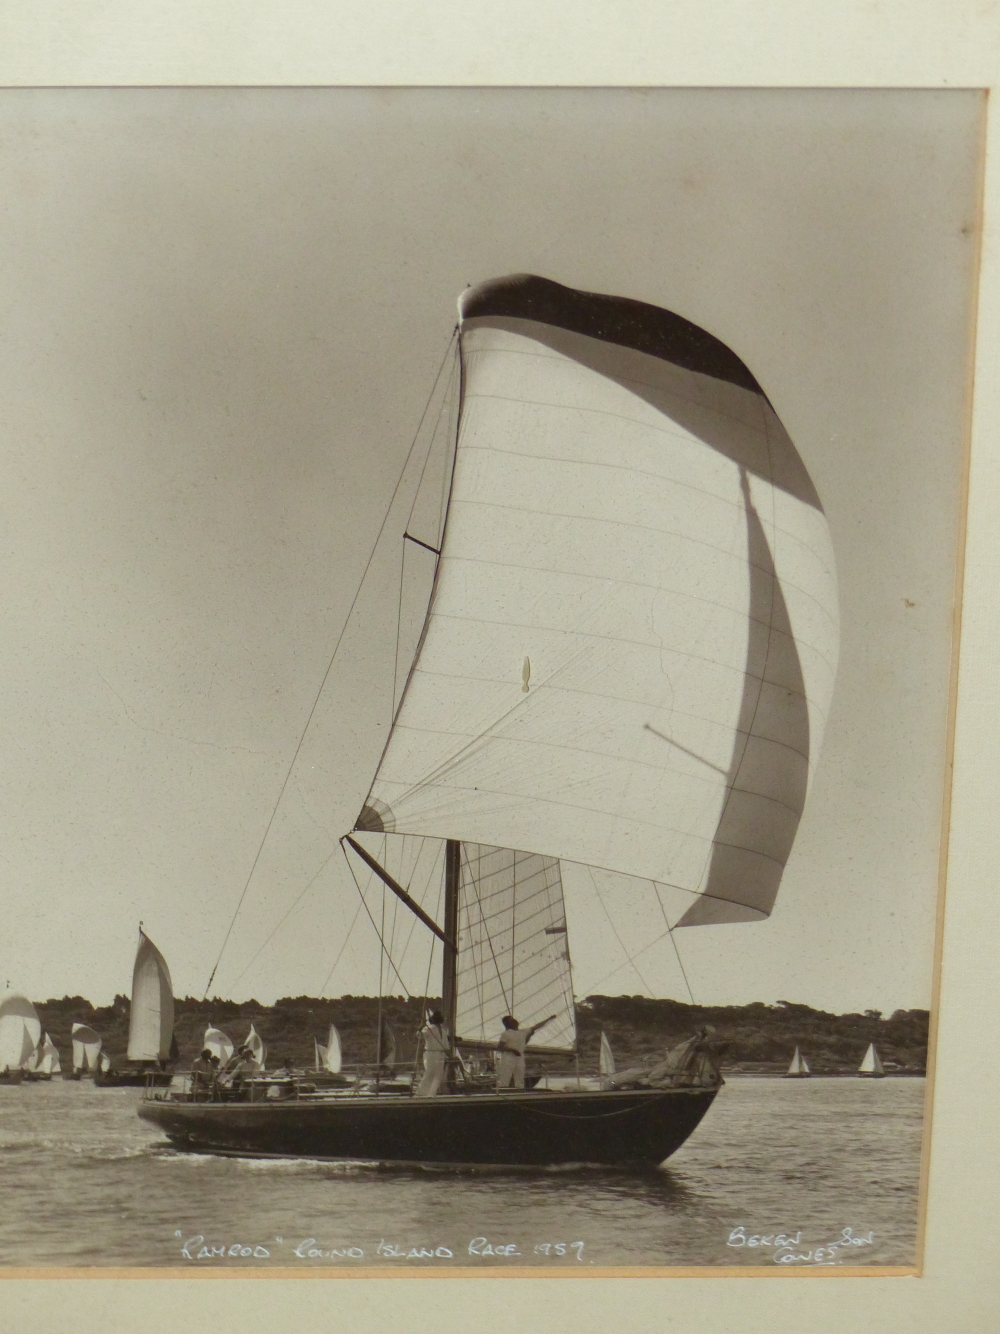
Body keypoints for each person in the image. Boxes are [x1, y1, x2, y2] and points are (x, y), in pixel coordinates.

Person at [496, 1014, 557, 1090]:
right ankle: (503, 1090)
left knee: (520, 1076)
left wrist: (549, 1019)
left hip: (520, 1057)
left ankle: (519, 1091)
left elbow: (536, 1026)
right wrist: (513, 1050)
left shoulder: (523, 1032)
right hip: (508, 1057)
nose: (515, 1021)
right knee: (505, 1076)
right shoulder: (506, 1034)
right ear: (507, 1023)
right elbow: (500, 1047)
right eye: (511, 1020)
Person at [415, 1010, 449, 1097]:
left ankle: (431, 1094)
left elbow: (446, 1045)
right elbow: (419, 1036)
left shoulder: (443, 1031)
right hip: (431, 1053)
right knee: (430, 1073)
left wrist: (447, 1054)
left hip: (441, 1054)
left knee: (439, 1075)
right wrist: (420, 1029)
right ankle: (421, 1094)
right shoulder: (428, 1029)